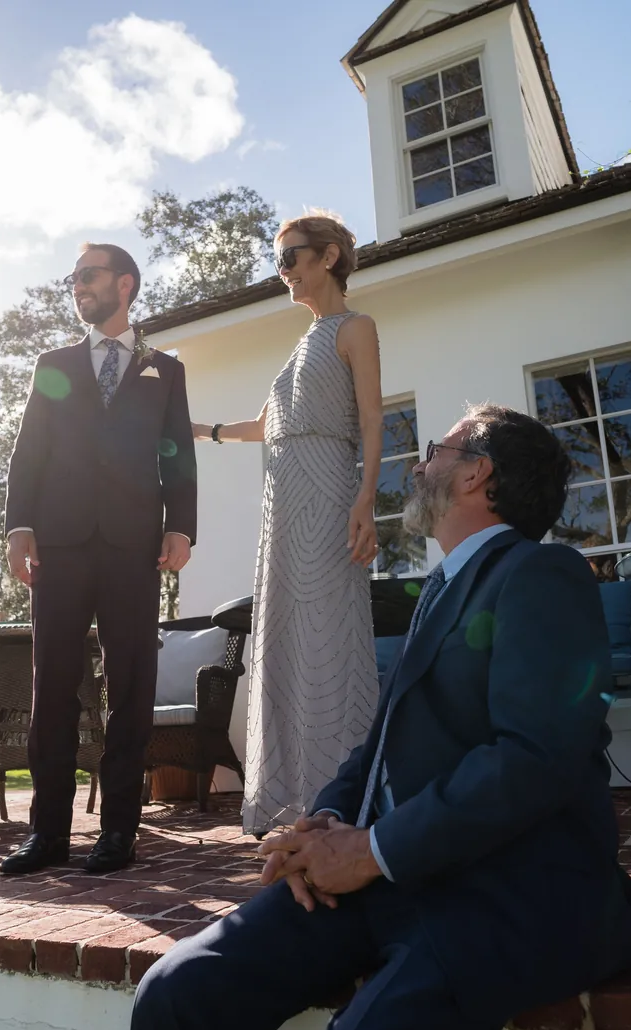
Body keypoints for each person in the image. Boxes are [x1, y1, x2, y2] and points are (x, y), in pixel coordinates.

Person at [129, 404, 631, 1030]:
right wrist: (327, 822)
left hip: (492, 892)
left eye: (435, 453)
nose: (417, 467)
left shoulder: (542, 573)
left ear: (477, 474)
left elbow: (534, 756)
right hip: (378, 879)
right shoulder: (440, 590)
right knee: (173, 991)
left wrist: (375, 850)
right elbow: (378, 746)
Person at [0, 242, 196, 876]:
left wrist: (182, 528)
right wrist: (19, 525)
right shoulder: (53, 364)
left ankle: (118, 831)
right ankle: (48, 833)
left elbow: (175, 457)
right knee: (51, 684)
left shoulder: (163, 370)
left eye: (89, 276)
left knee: (132, 686)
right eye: (73, 279)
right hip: (58, 542)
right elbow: (30, 450)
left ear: (126, 284)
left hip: (133, 544)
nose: (78, 286)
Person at [191, 211, 384, 836]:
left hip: (328, 496)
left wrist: (365, 499)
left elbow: (374, 420)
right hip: (284, 505)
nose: (283, 273)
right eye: (278, 262)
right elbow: (266, 423)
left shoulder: (356, 327)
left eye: (291, 258)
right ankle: (298, 795)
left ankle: (341, 798)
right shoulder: (302, 342)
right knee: (288, 642)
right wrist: (204, 431)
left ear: (328, 258)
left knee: (329, 638)